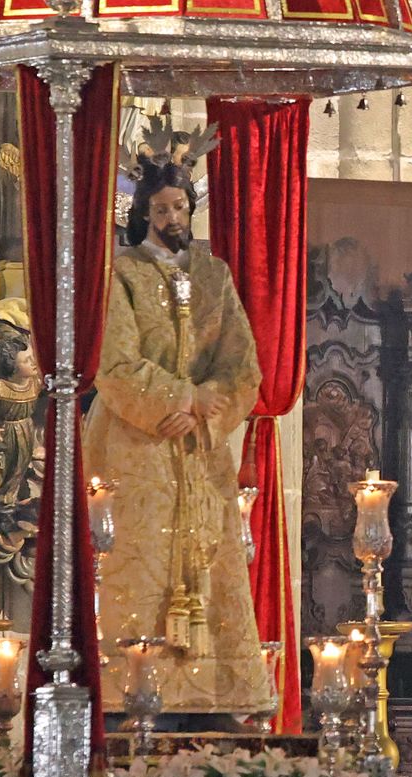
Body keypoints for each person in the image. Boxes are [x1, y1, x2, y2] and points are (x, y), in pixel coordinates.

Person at [84, 152, 271, 717]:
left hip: (201, 451)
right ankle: (131, 696)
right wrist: (182, 397)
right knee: (137, 566)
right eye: (162, 208)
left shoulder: (215, 275)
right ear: (144, 212)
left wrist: (206, 409)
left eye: (180, 206)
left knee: (212, 565)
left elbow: (242, 366)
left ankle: (210, 700)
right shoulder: (122, 274)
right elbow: (114, 363)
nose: (172, 217)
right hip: (136, 447)